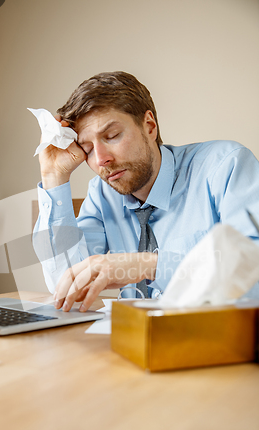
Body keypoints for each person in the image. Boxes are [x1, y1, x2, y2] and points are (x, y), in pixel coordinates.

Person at [33, 71, 259, 312]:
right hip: (132, 341)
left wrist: (148, 265)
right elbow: (67, 283)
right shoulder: (102, 194)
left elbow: (253, 271)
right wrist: (54, 177)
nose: (101, 160)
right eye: (87, 148)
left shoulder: (225, 166)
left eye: (112, 136)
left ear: (149, 126)